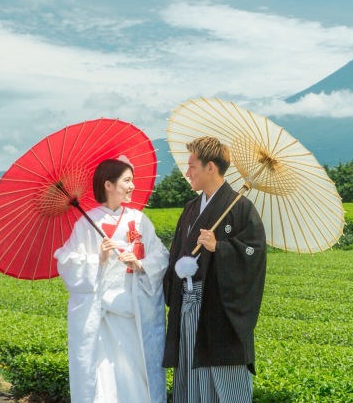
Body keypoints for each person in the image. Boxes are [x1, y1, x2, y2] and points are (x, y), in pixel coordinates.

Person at [54, 156, 169, 403]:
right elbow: (66, 262)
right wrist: (98, 258)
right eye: (127, 180)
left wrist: (139, 264)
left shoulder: (139, 220)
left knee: (137, 379)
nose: (132, 186)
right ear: (108, 185)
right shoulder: (87, 223)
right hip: (102, 319)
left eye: (132, 180)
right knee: (104, 381)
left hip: (134, 314)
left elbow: (161, 256)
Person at [163, 136, 267, 402]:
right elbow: (175, 255)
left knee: (226, 383)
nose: (188, 173)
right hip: (188, 307)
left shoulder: (241, 208)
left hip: (220, 312)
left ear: (210, 167)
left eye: (192, 166)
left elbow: (253, 256)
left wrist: (219, 248)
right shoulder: (190, 209)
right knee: (191, 379)